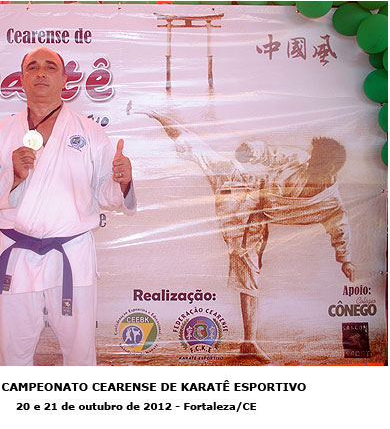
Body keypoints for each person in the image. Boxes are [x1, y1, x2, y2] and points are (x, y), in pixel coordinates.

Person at [128, 103, 354, 363]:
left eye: (315, 162)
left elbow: (340, 228)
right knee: (198, 148)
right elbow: (271, 154)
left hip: (252, 217)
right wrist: (252, 150)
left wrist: (346, 260)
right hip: (243, 183)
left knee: (249, 274)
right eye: (311, 158)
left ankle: (249, 342)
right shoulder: (300, 160)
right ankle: (156, 114)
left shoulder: (329, 203)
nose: (308, 162)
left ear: (329, 170)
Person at [0, 47, 136, 366]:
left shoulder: (89, 132)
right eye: (32, 67)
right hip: (17, 255)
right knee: (13, 354)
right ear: (22, 79)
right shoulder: (1, 132)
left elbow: (107, 192)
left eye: (50, 67)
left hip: (71, 253)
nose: (41, 73)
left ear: (64, 80)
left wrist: (123, 181)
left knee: (80, 352)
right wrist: (13, 176)